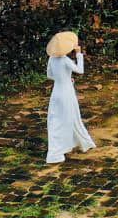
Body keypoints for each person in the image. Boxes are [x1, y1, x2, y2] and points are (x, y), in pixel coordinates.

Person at [45, 30, 96, 164]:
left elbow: (50, 75)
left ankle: (65, 145)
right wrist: (79, 54)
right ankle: (67, 146)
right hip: (66, 92)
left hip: (56, 92)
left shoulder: (51, 59)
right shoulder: (65, 60)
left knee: (56, 119)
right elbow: (80, 70)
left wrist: (63, 78)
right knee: (71, 117)